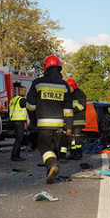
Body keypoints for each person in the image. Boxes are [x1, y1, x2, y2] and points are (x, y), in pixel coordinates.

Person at [25, 54, 73, 184]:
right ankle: (51, 172)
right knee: (56, 149)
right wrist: (69, 126)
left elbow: (30, 105)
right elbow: (68, 109)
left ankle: (52, 166)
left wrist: (33, 120)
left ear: (45, 68)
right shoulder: (64, 85)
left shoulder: (37, 83)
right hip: (60, 125)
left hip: (44, 125)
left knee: (45, 148)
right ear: (59, 68)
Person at [66, 77, 87, 160]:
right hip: (70, 120)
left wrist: (72, 110)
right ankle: (72, 153)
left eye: (70, 87)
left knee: (77, 138)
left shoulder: (80, 94)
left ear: (74, 87)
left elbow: (82, 105)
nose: (69, 89)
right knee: (71, 138)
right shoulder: (67, 95)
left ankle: (79, 153)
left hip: (78, 120)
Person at [9, 84, 28, 161]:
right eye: (24, 91)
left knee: (18, 139)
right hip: (19, 121)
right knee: (19, 139)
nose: (25, 93)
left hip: (13, 121)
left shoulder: (13, 100)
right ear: (20, 91)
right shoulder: (22, 100)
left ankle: (17, 155)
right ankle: (14, 156)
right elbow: (30, 106)